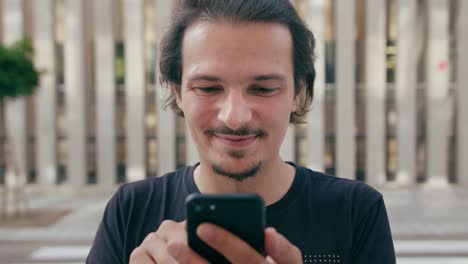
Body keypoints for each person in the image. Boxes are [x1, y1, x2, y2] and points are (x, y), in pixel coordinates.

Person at [87, 0, 396, 263]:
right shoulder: (130, 210)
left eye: (262, 89)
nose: (234, 117)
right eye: (208, 88)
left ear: (298, 93)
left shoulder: (356, 211)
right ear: (178, 92)